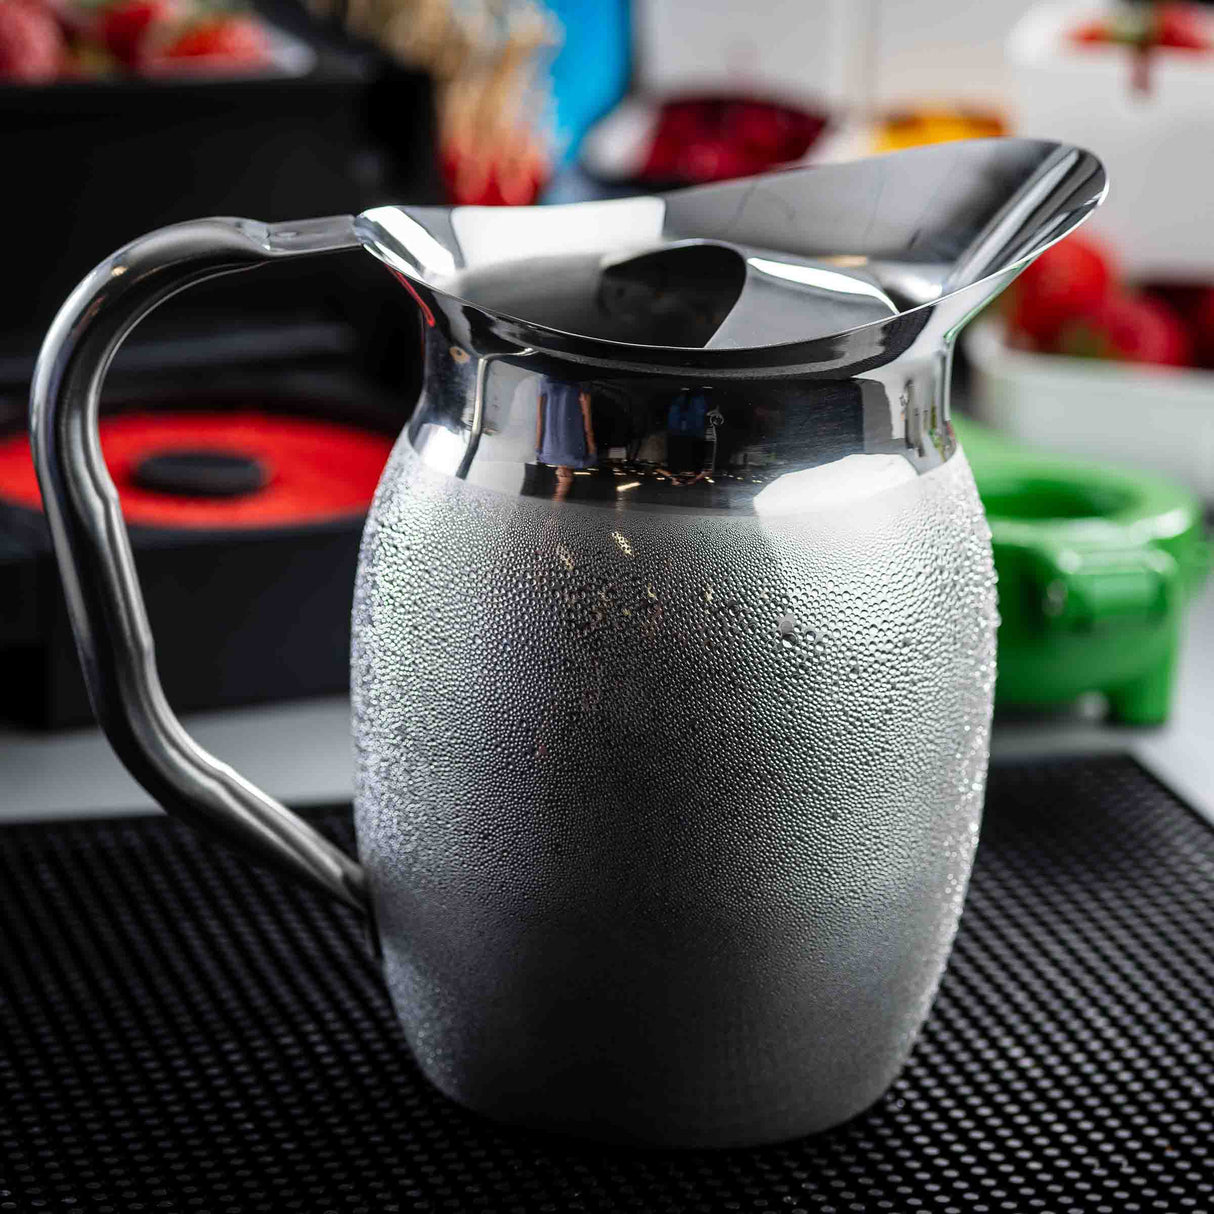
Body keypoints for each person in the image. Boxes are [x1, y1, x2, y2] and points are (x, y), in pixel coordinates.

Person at [536, 377, 596, 500]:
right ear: (573, 478)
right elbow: (589, 432)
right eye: (567, 478)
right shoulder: (583, 462)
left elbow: (539, 424)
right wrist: (586, 406)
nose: (563, 475)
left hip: (551, 391)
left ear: (556, 476)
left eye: (560, 478)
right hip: (574, 397)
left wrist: (541, 397)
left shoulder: (542, 457)